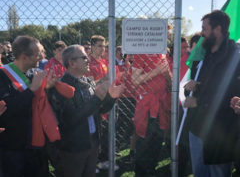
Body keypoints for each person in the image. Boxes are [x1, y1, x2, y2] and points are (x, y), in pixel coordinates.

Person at [48, 44, 124, 177]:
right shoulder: (61, 86)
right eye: (84, 57)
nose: (88, 59)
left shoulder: (88, 82)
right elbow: (71, 119)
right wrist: (97, 98)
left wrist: (111, 98)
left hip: (92, 143)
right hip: (74, 148)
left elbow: (98, 111)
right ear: (72, 63)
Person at [184, 10, 240, 177]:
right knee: (199, 173)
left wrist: (198, 101)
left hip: (220, 131)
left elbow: (231, 95)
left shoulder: (235, 56)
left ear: (218, 29)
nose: (202, 33)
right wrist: (190, 89)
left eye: (205, 28)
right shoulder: (203, 56)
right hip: (197, 127)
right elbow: (199, 87)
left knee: (218, 173)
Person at [0, 35, 54, 177]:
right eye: (37, 54)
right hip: (14, 147)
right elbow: (6, 110)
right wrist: (31, 91)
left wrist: (48, 88)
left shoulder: (32, 73)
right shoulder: (2, 76)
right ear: (24, 57)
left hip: (37, 144)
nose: (41, 58)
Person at [132, 52, 172, 176]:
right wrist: (156, 71)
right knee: (144, 142)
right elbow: (135, 80)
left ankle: (151, 170)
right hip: (147, 107)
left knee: (157, 142)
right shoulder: (141, 54)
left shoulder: (162, 55)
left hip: (161, 104)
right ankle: (141, 172)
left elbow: (169, 81)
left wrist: (167, 74)